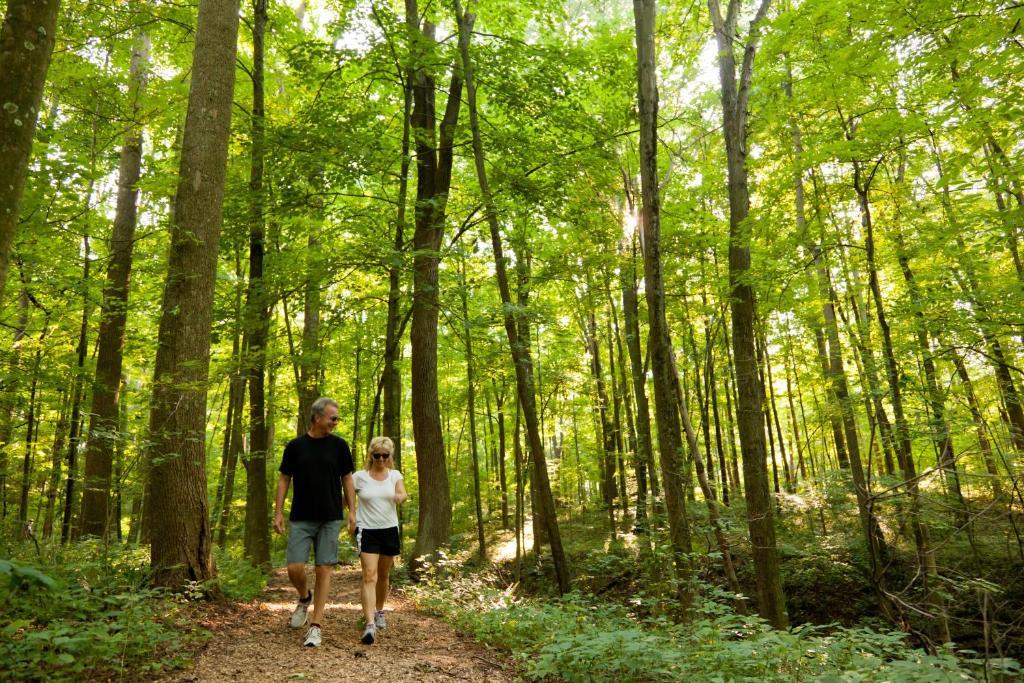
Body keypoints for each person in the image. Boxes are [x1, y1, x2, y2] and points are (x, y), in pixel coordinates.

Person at [273, 397, 356, 648]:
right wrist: (277, 512)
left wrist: (352, 511)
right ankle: (303, 597)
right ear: (317, 417)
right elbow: (284, 479)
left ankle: (316, 626)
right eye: (332, 418)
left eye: (336, 418)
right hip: (301, 517)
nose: (335, 422)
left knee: (323, 569)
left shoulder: (340, 446)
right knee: (294, 568)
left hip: (331, 517)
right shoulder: (296, 446)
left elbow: (348, 479)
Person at [353, 436, 407, 645]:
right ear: (371, 455)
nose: (381, 459)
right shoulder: (360, 477)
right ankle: (369, 625)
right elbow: (347, 498)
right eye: (377, 455)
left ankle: (379, 610)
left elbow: (402, 492)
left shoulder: (395, 475)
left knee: (383, 575)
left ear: (390, 456)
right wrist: (349, 516)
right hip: (367, 530)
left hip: (389, 530)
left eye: (385, 455)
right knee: (369, 575)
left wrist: (400, 497)